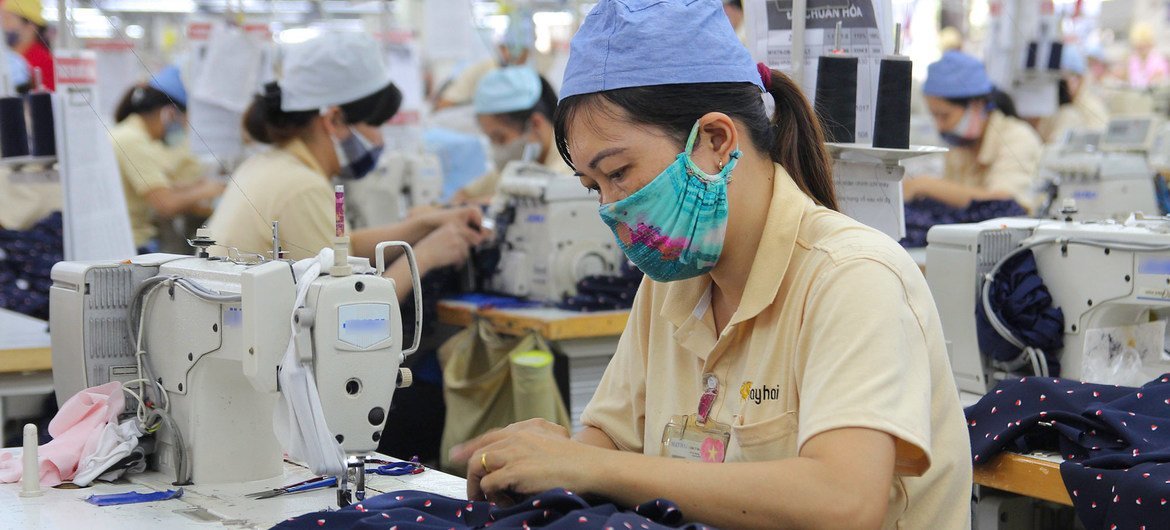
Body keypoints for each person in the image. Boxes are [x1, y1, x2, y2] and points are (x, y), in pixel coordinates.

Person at [450, 2, 972, 528]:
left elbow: (843, 501)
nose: (612, 208)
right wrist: (551, 460)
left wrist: (588, 465)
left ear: (718, 140)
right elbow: (608, 439)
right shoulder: (669, 286)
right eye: (595, 188)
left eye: (619, 172)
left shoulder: (852, 277)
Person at [206, 31, 488, 301]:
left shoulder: (270, 164)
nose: (379, 139)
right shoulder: (301, 187)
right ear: (334, 120)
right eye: (374, 125)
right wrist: (424, 256)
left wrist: (421, 226)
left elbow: (340, 249)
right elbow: (346, 311)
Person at [904, 51, 1043, 212]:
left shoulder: (1017, 138)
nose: (939, 126)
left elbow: (1004, 204)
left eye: (944, 116)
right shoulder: (960, 147)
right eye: (934, 116)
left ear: (977, 106)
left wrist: (924, 185)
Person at [111, 69, 225, 253]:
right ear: (169, 114)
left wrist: (194, 187)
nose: (181, 129)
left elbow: (160, 187)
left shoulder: (132, 133)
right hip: (131, 246)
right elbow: (165, 204)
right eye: (182, 122)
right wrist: (206, 190)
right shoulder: (132, 140)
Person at [451, 66, 570, 203]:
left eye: (500, 138)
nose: (496, 148)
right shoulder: (517, 166)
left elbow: (529, 201)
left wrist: (474, 206)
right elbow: (464, 194)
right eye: (491, 140)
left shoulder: (569, 165)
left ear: (535, 124)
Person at [1036, 46, 1110, 144]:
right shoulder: (1051, 108)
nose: (1059, 87)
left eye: (1064, 80)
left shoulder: (1091, 108)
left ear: (1080, 79)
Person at [1, 0, 53, 91]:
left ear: (30, 26)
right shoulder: (8, 59)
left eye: (8, 19)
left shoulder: (46, 63)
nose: (3, 26)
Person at [1126, 23, 1168, 89]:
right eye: (1139, 47)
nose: (1141, 49)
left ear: (1150, 44)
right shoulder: (1133, 60)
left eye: (1144, 46)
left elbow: (1160, 83)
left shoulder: (1158, 61)